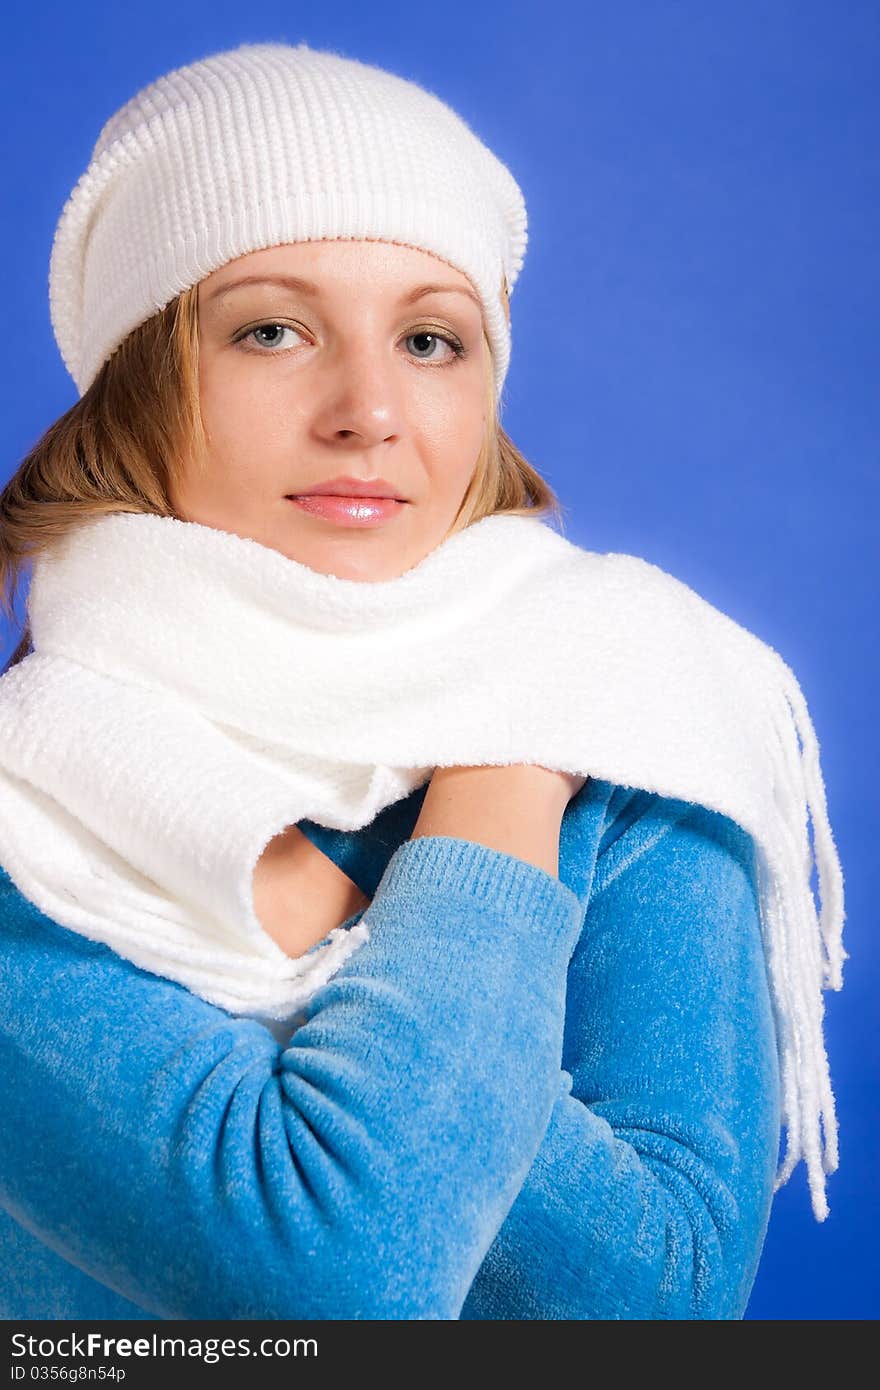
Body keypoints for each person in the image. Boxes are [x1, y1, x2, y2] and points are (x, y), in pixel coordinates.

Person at [0, 40, 841, 1321]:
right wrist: (498, 811)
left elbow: (660, 1305)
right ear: (137, 383)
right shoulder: (31, 812)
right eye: (271, 330)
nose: (369, 411)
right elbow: (336, 1277)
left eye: (432, 340)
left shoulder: (636, 707)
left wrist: (504, 757)